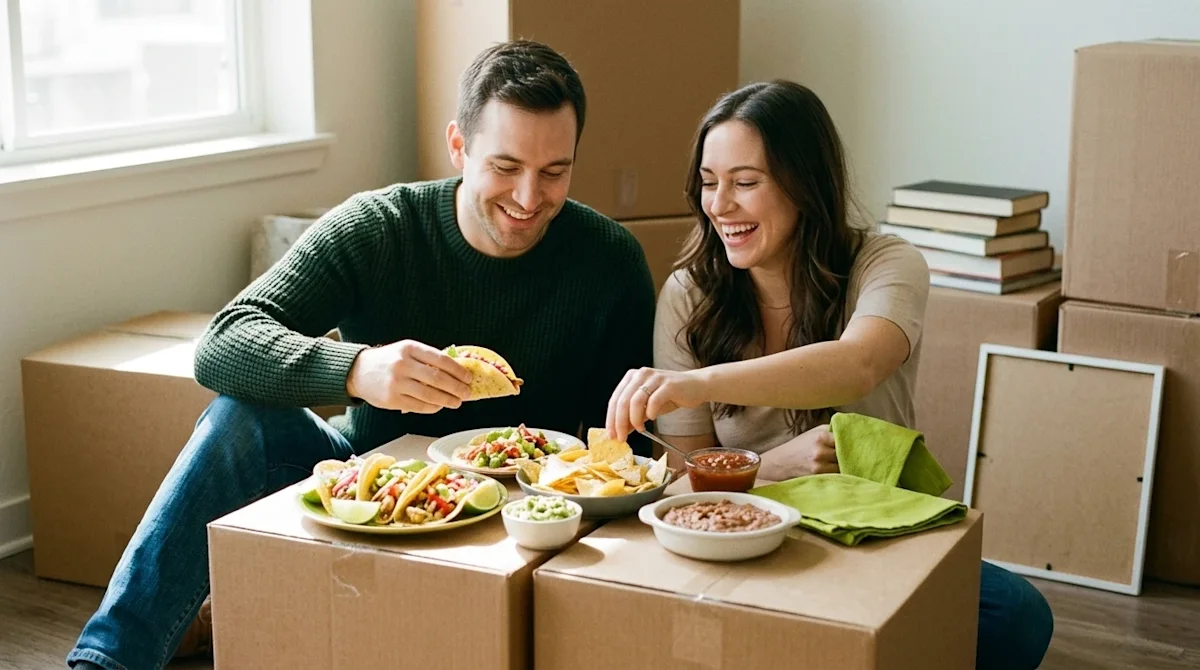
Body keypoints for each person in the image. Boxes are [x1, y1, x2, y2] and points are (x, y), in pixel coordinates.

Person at [67, 40, 655, 670]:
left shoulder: (609, 261)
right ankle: (108, 660)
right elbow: (223, 342)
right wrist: (355, 370)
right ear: (458, 147)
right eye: (505, 166)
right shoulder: (379, 228)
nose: (530, 197)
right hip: (366, 479)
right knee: (238, 420)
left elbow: (627, 449)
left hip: (526, 512)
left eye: (555, 171)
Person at [604, 80, 1053, 670]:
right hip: (747, 532)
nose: (720, 205)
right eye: (710, 183)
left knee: (1018, 617)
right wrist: (768, 467)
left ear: (803, 183)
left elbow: (857, 363)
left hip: (876, 533)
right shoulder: (690, 293)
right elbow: (686, 476)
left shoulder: (887, 263)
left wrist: (703, 381)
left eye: (745, 183)